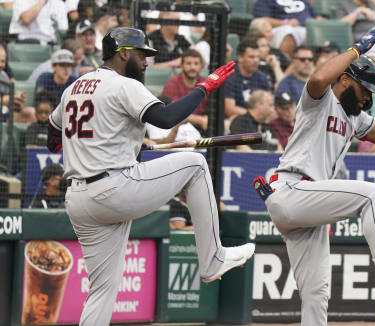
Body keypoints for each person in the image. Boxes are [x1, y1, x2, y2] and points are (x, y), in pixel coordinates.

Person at [47, 27, 255, 326]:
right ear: (123, 54)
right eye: (142, 54)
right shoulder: (123, 85)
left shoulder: (74, 87)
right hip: (114, 188)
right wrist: (203, 88)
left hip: (80, 199)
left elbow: (53, 140)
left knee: (102, 290)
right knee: (196, 164)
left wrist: (106, 144)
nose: (146, 62)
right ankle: (213, 260)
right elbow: (166, 117)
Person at [255, 28, 375, 325]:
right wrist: (356, 49)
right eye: (364, 91)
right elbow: (319, 79)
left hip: (306, 205)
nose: (367, 99)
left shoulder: (355, 117)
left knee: (316, 293)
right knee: (372, 194)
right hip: (291, 188)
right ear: (346, 80)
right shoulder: (321, 100)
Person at [253, 0, 323, 57]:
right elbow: (262, 20)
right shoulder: (266, 1)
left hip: (309, 29)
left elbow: (316, 16)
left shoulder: (303, 1)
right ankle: (288, 66)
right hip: (281, 28)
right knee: (288, 32)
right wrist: (285, 22)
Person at [162, 49, 208, 133]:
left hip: (203, 129)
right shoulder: (172, 84)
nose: (192, 67)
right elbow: (174, 112)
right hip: (177, 129)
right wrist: (200, 120)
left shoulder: (205, 84)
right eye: (188, 63)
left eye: (196, 63)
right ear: (181, 66)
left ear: (201, 66)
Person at [224, 39, 272, 119]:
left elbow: (270, 105)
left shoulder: (262, 77)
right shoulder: (230, 76)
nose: (256, 60)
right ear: (240, 58)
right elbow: (229, 109)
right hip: (237, 121)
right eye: (251, 57)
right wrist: (255, 115)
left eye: (258, 57)